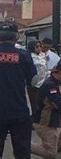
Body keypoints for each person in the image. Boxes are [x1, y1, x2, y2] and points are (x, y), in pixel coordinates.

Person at [0, 21, 37, 159]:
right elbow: (34, 81)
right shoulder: (25, 55)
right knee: (22, 152)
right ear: (16, 37)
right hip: (19, 111)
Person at [27, 40, 49, 117]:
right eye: (37, 46)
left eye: (40, 46)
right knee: (33, 102)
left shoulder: (43, 55)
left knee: (43, 102)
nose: (39, 48)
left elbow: (46, 68)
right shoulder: (28, 56)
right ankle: (32, 119)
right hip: (33, 83)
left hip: (44, 82)